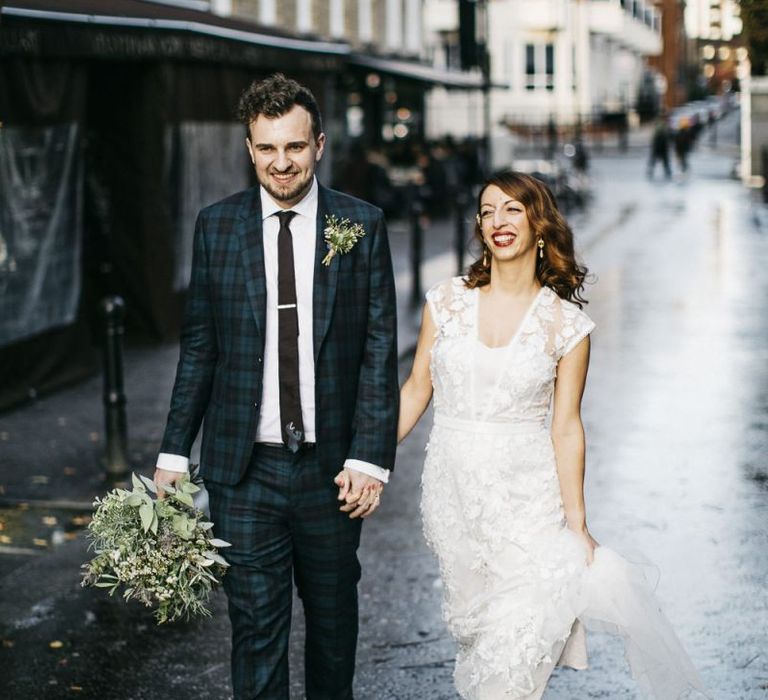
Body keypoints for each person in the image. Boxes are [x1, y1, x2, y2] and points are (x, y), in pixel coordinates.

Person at [397, 171, 708, 699]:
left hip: (529, 514)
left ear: (539, 225)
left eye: (513, 209)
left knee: (511, 667)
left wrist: (578, 525)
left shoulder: (564, 326)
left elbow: (566, 428)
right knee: (478, 647)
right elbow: (414, 391)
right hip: (455, 510)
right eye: (488, 210)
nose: (498, 220)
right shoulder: (446, 302)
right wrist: (367, 462)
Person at [154, 73, 399, 699]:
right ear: (249, 148)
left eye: (293, 147)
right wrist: (173, 452)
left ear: (318, 145)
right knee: (256, 628)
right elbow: (200, 347)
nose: (281, 163)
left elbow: (377, 349)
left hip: (332, 470)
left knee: (333, 623)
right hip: (245, 470)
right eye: (267, 149)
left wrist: (370, 457)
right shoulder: (218, 226)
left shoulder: (361, 225)